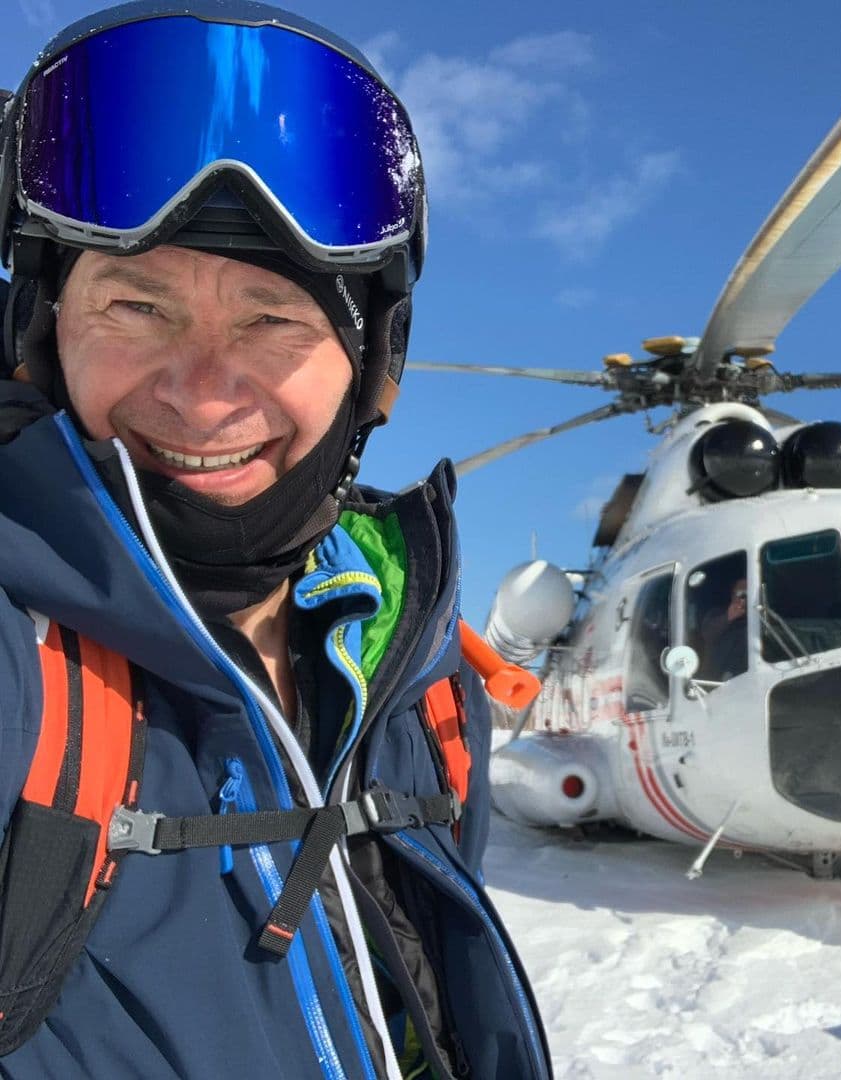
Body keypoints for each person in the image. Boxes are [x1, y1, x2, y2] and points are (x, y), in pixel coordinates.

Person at [0, 4, 550, 1079]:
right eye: (135, 308)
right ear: (41, 339)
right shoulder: (24, 664)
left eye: (272, 321)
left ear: (372, 373)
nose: (204, 395)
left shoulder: (419, 668)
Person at [699, 577, 749, 681]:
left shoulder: (763, 618)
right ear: (732, 595)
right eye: (741, 593)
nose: (743, 598)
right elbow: (707, 635)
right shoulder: (716, 614)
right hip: (717, 681)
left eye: (748, 593)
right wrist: (728, 617)